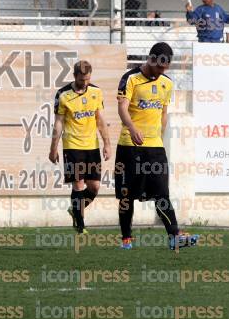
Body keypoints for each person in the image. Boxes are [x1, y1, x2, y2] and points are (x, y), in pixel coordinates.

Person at [115, 42, 198, 250]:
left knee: (162, 192)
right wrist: (132, 128)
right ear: (151, 59)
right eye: (160, 66)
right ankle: (126, 238)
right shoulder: (130, 78)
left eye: (165, 68)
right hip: (129, 145)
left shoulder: (167, 83)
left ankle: (174, 235)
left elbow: (163, 113)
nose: (162, 71)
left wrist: (159, 138)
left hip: (155, 148)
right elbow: (122, 108)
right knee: (127, 195)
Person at [49, 61, 111, 234]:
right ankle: (80, 225)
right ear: (75, 76)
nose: (85, 83)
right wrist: (53, 148)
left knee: (95, 187)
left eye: (88, 79)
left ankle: (75, 210)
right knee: (78, 185)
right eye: (82, 79)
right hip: (72, 146)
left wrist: (107, 144)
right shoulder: (63, 95)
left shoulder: (96, 92)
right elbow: (58, 123)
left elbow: (100, 120)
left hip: (92, 146)